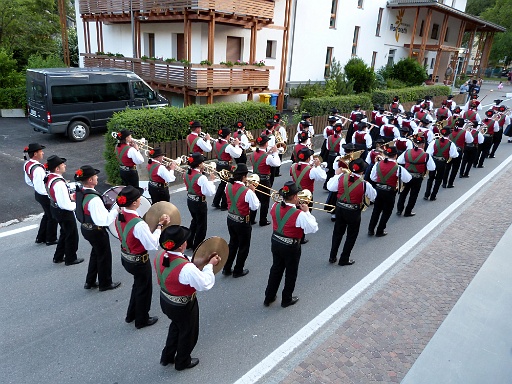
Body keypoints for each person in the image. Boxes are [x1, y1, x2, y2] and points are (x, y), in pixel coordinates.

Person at [155, 225, 220, 371]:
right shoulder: (186, 268)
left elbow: (185, 261)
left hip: (166, 300)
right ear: (181, 246)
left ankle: (167, 356)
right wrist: (210, 266)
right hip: (183, 305)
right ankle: (182, 361)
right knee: (188, 332)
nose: (186, 242)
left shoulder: (161, 255)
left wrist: (203, 260)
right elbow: (205, 283)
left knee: (176, 326)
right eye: (184, 240)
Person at [115, 185, 169, 329]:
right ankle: (142, 320)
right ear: (134, 203)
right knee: (144, 289)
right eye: (139, 198)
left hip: (126, 256)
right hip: (138, 260)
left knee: (137, 286)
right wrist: (159, 227)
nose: (140, 200)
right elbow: (152, 244)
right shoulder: (138, 224)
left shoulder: (119, 214)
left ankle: (131, 314)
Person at [263, 181, 318, 308]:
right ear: (294, 197)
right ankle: (286, 299)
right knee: (291, 272)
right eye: (297, 195)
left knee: (276, 268)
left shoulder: (274, 206)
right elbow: (312, 228)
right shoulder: (299, 214)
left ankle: (269, 296)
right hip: (291, 246)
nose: (299, 197)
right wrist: (307, 212)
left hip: (276, 241)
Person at [74, 165, 121, 291]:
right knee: (104, 256)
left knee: (96, 253)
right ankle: (105, 283)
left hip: (86, 228)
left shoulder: (81, 191)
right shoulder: (94, 199)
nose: (97, 177)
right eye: (95, 176)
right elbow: (103, 220)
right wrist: (116, 210)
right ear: (90, 180)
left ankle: (89, 281)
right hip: (96, 231)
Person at [327, 158, 376, 265]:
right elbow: (373, 197)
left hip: (339, 209)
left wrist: (336, 175)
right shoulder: (365, 184)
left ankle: (332, 256)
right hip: (353, 212)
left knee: (337, 233)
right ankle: (344, 258)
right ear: (362, 171)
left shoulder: (341, 177)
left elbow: (330, 187)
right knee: (351, 235)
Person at [44, 155, 83, 266]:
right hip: (63, 211)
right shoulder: (59, 183)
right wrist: (76, 205)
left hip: (54, 208)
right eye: (62, 165)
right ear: (57, 169)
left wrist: (68, 197)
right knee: (71, 235)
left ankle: (58, 256)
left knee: (64, 233)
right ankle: (70, 258)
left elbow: (57, 196)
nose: (65, 166)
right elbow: (64, 204)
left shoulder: (50, 177)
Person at [223, 163, 260, 277]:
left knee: (233, 243)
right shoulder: (247, 191)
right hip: (242, 221)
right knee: (243, 246)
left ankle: (227, 267)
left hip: (230, 218)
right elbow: (255, 207)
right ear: (244, 176)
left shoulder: (227, 186)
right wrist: (253, 192)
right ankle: (238, 270)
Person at [368, 146, 412, 237]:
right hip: (390, 192)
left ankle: (371, 229)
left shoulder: (377, 164)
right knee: (386, 212)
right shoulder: (398, 168)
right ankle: (380, 230)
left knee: (376, 210)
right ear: (395, 156)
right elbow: (408, 179)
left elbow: (373, 178)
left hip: (378, 190)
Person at [290, 147, 327, 244]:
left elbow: (295, 172)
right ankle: (301, 238)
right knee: (305, 214)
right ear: (307, 159)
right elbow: (323, 177)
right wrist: (318, 166)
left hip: (294, 194)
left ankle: (293, 233)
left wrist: (309, 166)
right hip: (306, 196)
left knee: (294, 214)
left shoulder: (293, 166)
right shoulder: (311, 170)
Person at [23, 143, 58, 246]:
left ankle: (41, 237)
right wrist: (50, 195)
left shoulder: (27, 164)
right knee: (52, 216)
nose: (42, 153)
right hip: (44, 195)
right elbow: (41, 186)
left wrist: (36, 187)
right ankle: (50, 239)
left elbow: (28, 181)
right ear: (35, 153)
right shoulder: (38, 169)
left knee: (47, 215)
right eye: (40, 151)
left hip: (38, 194)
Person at [396, 134, 435, 216]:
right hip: (417, 178)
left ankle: (399, 210)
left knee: (403, 193)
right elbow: (432, 168)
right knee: (413, 195)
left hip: (406, 176)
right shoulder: (426, 155)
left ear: (414, 143)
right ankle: (408, 211)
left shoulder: (407, 152)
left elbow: (399, 160)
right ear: (423, 144)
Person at [183, 153, 216, 250]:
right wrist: (212, 181)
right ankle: (197, 246)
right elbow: (209, 192)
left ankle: (189, 242)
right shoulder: (201, 177)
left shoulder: (186, 173)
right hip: (199, 203)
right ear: (199, 164)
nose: (204, 164)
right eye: (202, 162)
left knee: (194, 221)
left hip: (190, 200)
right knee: (201, 226)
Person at [249, 135, 281, 226]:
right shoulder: (268, 157)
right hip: (264, 180)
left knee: (255, 198)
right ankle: (263, 220)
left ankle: (251, 218)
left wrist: (269, 153)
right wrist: (275, 153)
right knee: (265, 201)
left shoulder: (253, 154)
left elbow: (261, 159)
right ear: (266, 144)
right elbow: (277, 163)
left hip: (254, 179)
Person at [423, 127, 459, 201]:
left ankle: (427, 194)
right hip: (442, 163)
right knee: (438, 180)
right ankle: (433, 196)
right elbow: (454, 155)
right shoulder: (450, 143)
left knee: (430, 178)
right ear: (449, 134)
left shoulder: (434, 141)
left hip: (433, 161)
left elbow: (428, 153)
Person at [211, 127, 242, 210]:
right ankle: (224, 205)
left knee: (222, 183)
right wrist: (237, 145)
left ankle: (216, 202)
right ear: (228, 136)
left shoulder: (216, 142)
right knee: (227, 184)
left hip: (219, 165)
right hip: (226, 166)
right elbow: (237, 154)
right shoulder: (227, 146)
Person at [442, 118, 473, 188]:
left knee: (447, 168)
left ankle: (444, 183)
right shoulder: (466, 132)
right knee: (455, 168)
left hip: (448, 152)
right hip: (459, 152)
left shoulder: (450, 132)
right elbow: (470, 141)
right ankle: (450, 183)